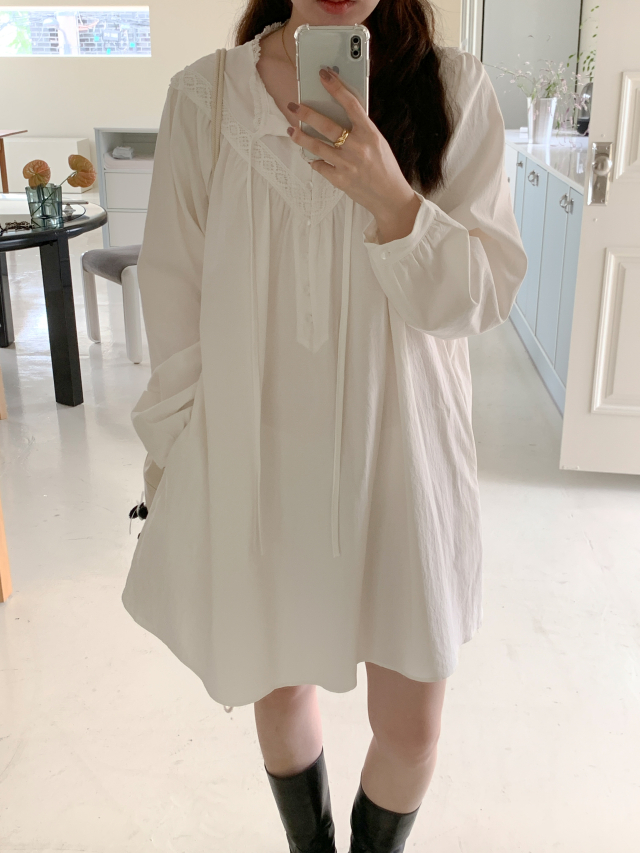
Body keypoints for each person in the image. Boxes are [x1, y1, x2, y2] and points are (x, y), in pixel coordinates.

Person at [121, 0, 527, 850]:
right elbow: (174, 301)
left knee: (411, 727)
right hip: (256, 457)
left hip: (402, 454)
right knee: (279, 687)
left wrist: (394, 201)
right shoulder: (206, 100)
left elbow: (484, 293)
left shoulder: (456, 90)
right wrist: (182, 463)